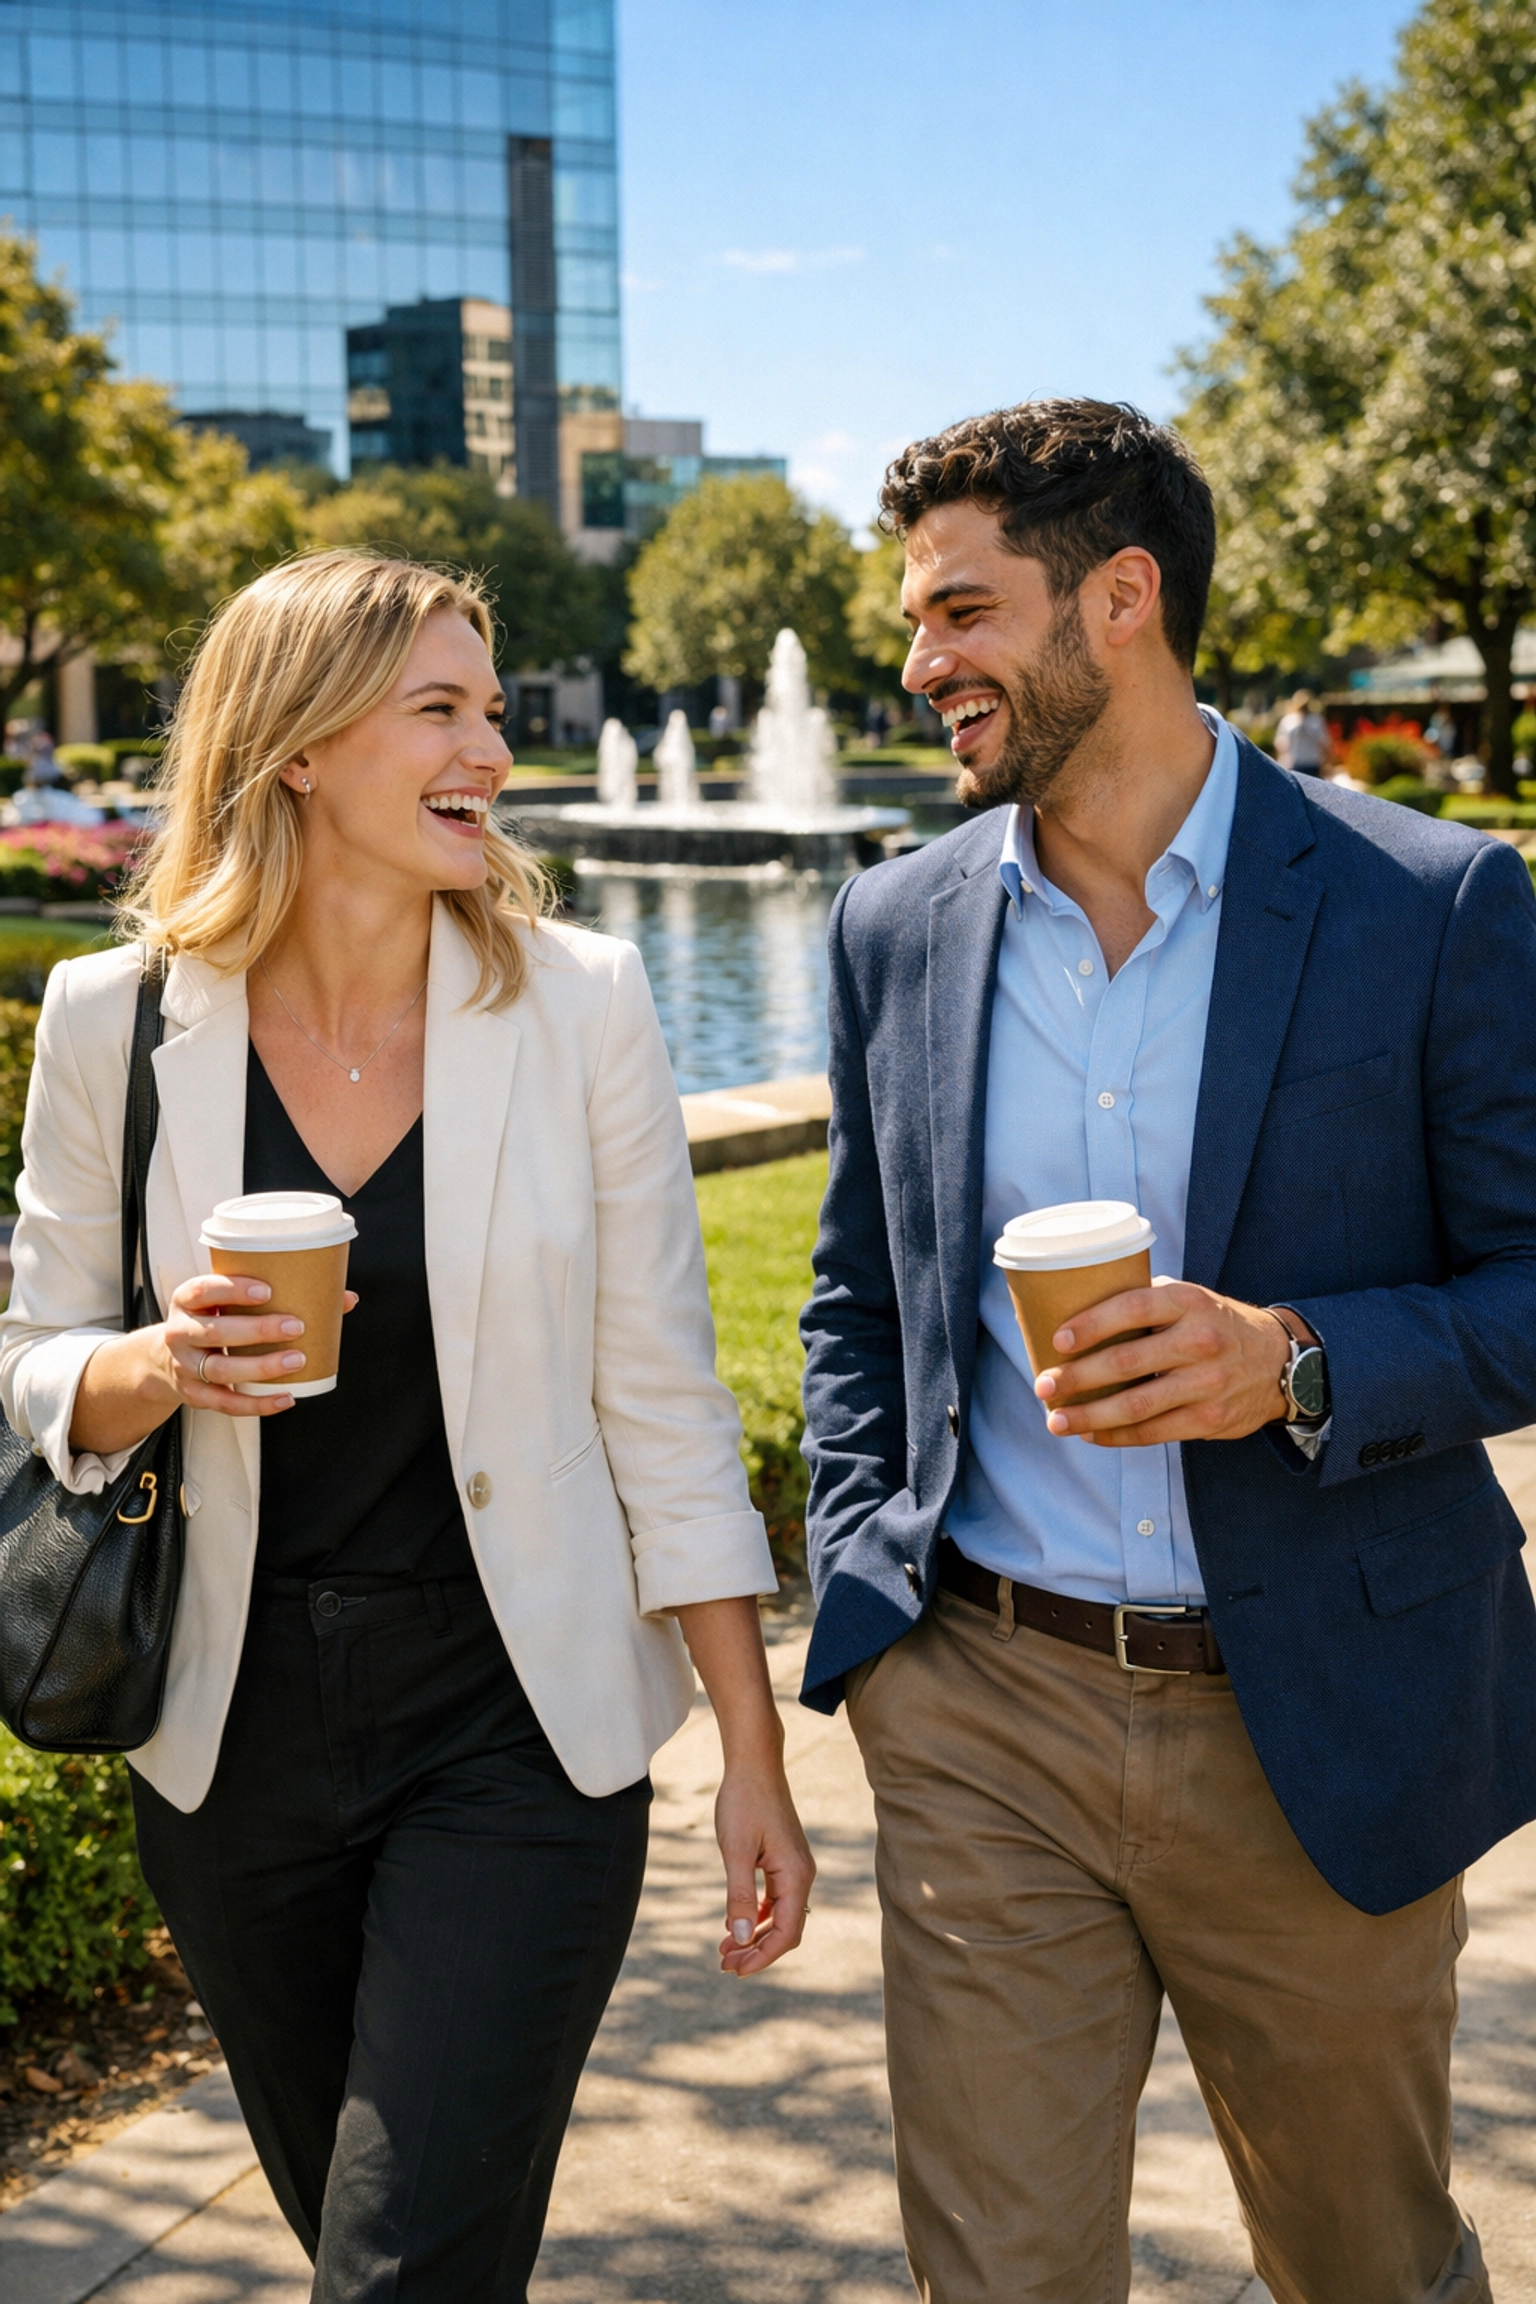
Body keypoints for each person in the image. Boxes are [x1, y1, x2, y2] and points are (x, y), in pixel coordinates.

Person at [1, 549, 813, 2301]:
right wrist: (160, 1365)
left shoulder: (582, 997)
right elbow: (35, 1356)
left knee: (397, 2271)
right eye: (439, 708)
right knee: (379, 2243)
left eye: (494, 711)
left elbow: (662, 1388)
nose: (493, 752)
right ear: (297, 744)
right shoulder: (115, 1015)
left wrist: (751, 1749)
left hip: (512, 1723)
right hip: (230, 1737)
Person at [798, 398, 1536, 2304]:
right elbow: (862, 1293)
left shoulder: (1427, 902)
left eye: (962, 608)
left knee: (1362, 2260)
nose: (918, 658)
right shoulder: (895, 922)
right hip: (986, 1714)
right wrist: (878, 1588)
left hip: (1315, 1725)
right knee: (1003, 2273)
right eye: (911, 617)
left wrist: (1291, 1357)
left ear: (1119, 597)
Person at [1273, 687, 1332, 775]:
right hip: (1303, 762)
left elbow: (1280, 744)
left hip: (1305, 763)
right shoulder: (1315, 720)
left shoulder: (1289, 720)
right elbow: (1325, 744)